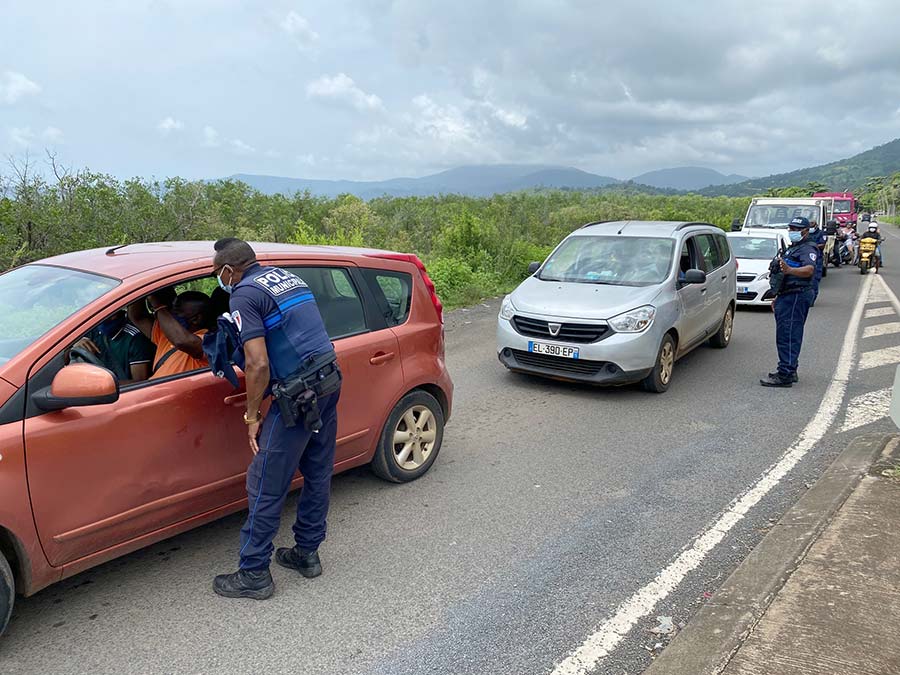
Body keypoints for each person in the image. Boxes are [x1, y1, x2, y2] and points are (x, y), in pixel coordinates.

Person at [211, 237, 342, 600]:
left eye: (217, 274)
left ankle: (253, 572)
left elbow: (257, 363)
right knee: (317, 470)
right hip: (329, 380)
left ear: (227, 270)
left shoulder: (243, 294)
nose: (220, 282)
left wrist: (252, 415)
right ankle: (307, 553)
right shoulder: (287, 277)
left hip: (297, 396)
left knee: (265, 481)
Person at [760, 217, 818, 388]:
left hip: (796, 296)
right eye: (791, 228)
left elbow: (809, 270)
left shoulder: (808, 248)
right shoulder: (794, 247)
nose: (792, 231)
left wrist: (790, 269)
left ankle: (785, 374)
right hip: (787, 295)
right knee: (787, 333)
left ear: (806, 231)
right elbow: (784, 275)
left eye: (796, 229)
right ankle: (790, 370)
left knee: (788, 334)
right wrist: (778, 296)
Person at [128, 289, 212, 379]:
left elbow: (182, 341)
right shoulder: (166, 333)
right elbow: (137, 317)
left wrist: (159, 307)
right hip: (155, 390)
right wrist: (144, 289)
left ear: (196, 319)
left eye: (178, 311)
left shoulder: (209, 341)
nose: (171, 314)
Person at [72, 309, 155, 384]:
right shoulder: (93, 330)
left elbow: (140, 383)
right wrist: (75, 347)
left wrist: (102, 386)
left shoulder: (135, 338)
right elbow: (64, 357)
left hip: (122, 395)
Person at [807, 219, 826, 306]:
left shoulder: (820, 233)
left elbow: (822, 245)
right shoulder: (805, 233)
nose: (811, 228)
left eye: (812, 226)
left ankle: (812, 300)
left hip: (817, 259)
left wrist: (813, 246)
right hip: (806, 259)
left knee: (814, 280)